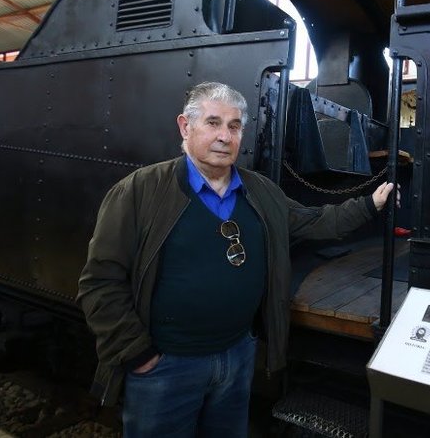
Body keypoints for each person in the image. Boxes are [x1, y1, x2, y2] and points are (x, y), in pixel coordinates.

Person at [77, 81, 396, 437]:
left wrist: (370, 204)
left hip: (237, 356)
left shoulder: (260, 191)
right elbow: (100, 283)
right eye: (213, 123)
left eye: (234, 126)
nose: (225, 137)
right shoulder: (139, 191)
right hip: (166, 365)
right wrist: (137, 354)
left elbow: (316, 221)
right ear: (186, 126)